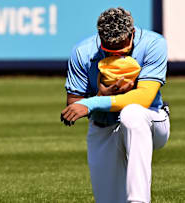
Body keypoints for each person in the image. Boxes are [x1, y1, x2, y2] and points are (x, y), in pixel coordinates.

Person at [60, 7, 170, 203]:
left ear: (133, 33)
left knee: (132, 113)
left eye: (122, 45)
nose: (117, 52)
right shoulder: (83, 52)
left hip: (151, 120)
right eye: (110, 48)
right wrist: (102, 94)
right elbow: (74, 105)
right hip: (104, 126)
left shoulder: (154, 43)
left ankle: (138, 200)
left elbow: (144, 98)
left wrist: (94, 101)